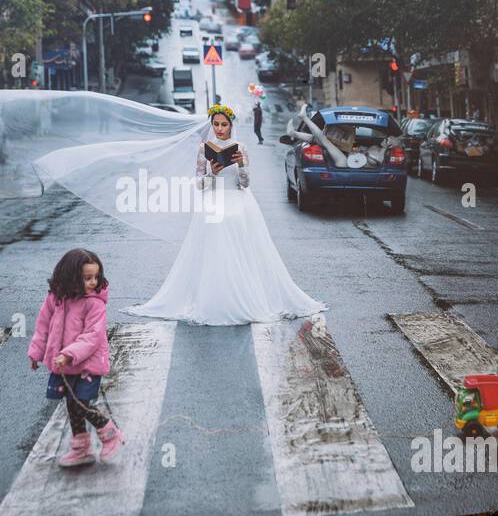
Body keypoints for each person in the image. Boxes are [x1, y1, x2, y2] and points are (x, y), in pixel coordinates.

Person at [126, 104, 325, 325]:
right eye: (216, 124)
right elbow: (200, 184)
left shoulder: (241, 147)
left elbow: (245, 184)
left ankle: (243, 293)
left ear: (231, 125)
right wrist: (212, 172)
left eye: (224, 125)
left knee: (242, 248)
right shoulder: (203, 149)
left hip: (238, 201)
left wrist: (241, 165)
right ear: (211, 125)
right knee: (213, 248)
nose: (219, 129)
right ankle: (214, 296)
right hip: (214, 200)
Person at [27, 248, 126, 468]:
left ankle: (110, 435)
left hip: (86, 365)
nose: (93, 282)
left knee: (81, 403)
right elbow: (43, 326)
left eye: (96, 277)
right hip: (62, 365)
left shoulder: (94, 303)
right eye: (87, 278)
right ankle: (81, 448)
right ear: (70, 277)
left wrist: (69, 354)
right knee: (72, 406)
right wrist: (36, 352)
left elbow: (93, 336)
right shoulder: (56, 298)